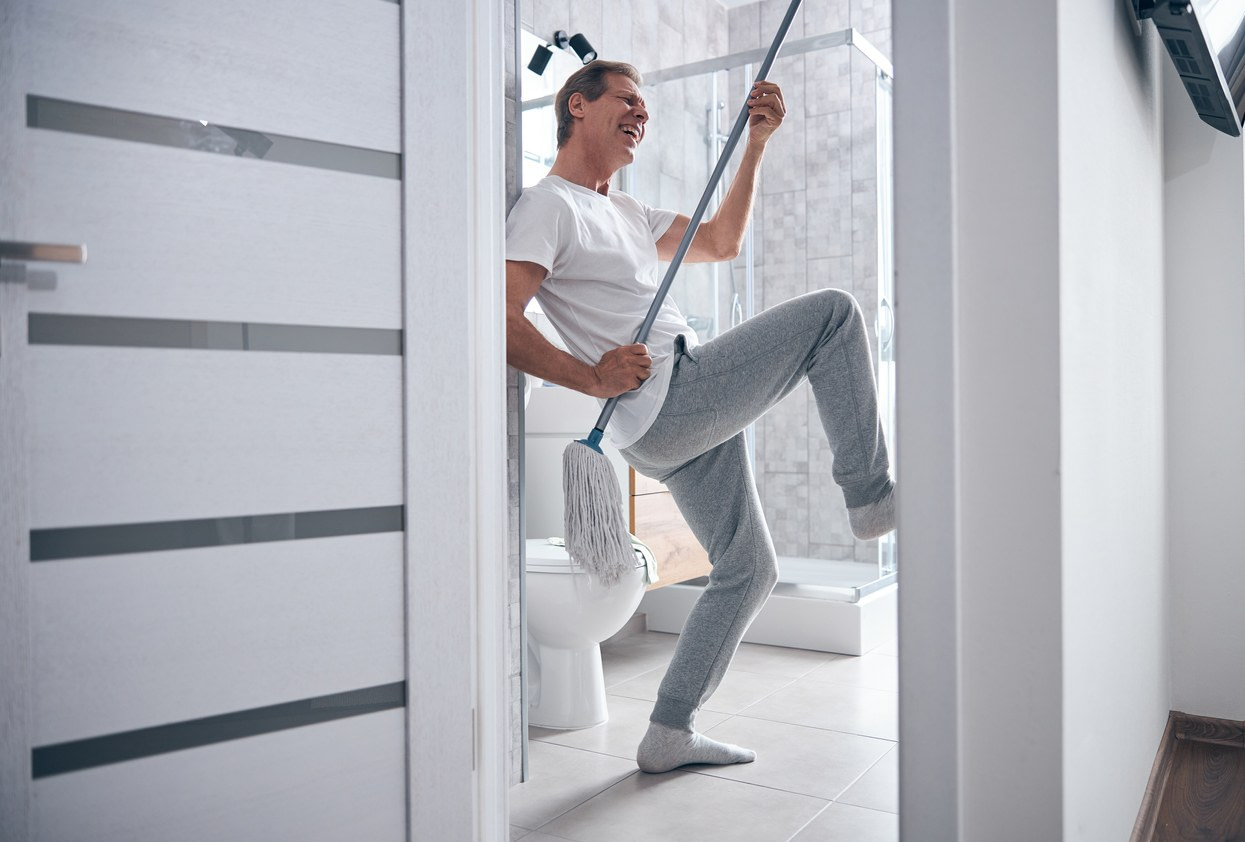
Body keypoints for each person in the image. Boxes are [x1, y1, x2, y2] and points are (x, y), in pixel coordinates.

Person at [505, 60, 895, 774]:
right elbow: (502, 318)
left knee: (747, 570)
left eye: (645, 109)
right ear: (577, 106)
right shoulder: (548, 206)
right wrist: (588, 376)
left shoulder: (623, 211)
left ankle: (668, 731)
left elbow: (720, 243)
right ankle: (870, 497)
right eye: (626, 101)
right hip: (669, 397)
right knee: (833, 315)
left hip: (662, 427)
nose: (640, 116)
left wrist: (755, 146)